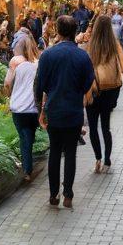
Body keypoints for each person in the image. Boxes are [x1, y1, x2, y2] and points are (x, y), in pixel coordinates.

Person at [34, 15, 95, 209]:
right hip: (74, 111)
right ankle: (68, 193)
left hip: (54, 110)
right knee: (70, 153)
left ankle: (53, 194)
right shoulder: (82, 56)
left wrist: (39, 109)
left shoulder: (48, 55)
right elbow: (88, 82)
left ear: (58, 31)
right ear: (75, 31)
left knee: (54, 152)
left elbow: (39, 85)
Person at [84, 13, 123, 174]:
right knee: (106, 126)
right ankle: (108, 159)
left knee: (93, 128)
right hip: (111, 90)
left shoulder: (90, 45)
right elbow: (122, 68)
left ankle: (98, 159)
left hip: (94, 89)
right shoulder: (115, 45)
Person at [4, 30, 40, 183]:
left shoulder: (15, 62)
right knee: (29, 136)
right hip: (33, 108)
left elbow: (7, 83)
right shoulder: (39, 63)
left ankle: (27, 170)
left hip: (18, 107)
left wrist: (9, 94)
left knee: (23, 137)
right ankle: (28, 165)